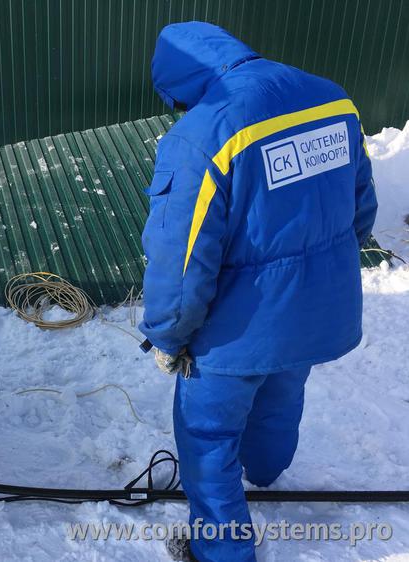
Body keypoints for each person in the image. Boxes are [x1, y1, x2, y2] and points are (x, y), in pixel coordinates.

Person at [139, 22, 378, 562]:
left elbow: (182, 258)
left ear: (183, 82)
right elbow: (361, 209)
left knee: (207, 437)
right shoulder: (330, 100)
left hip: (235, 333)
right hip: (318, 311)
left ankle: (222, 552)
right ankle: (267, 472)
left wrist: (168, 335)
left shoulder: (203, 134)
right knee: (280, 394)